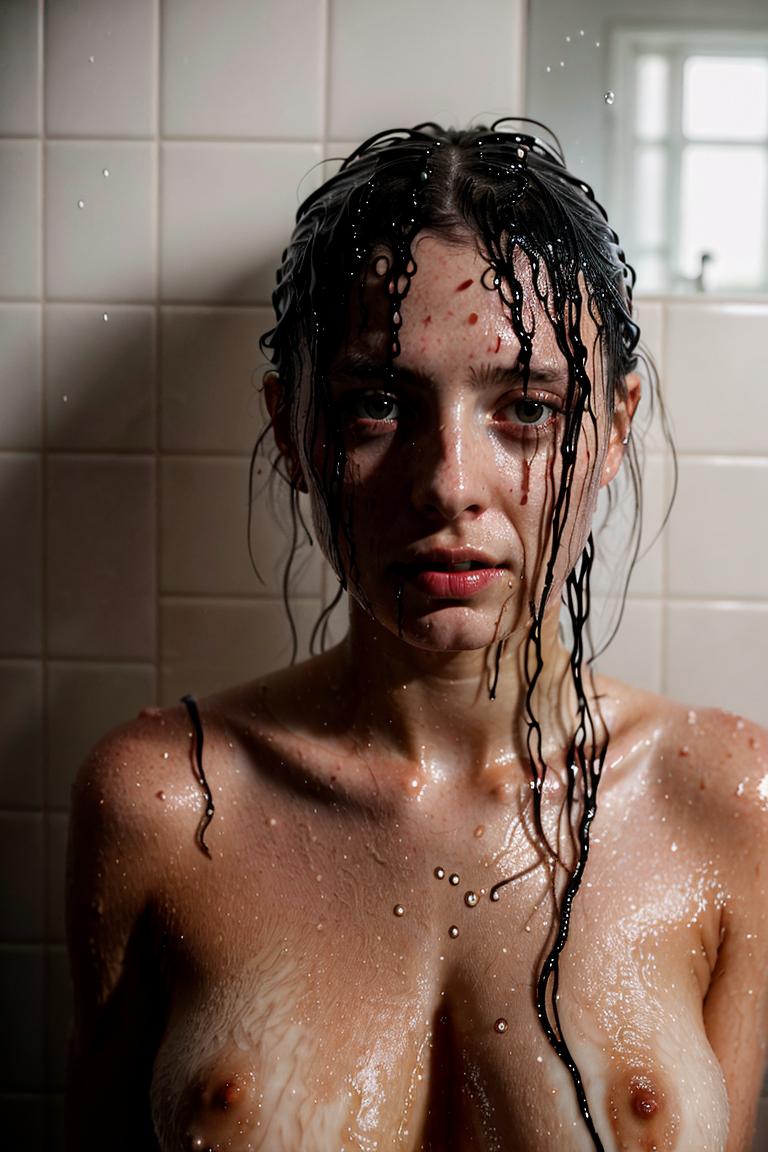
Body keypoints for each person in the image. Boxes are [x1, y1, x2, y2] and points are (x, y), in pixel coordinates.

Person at [66, 121, 768, 1152]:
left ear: (613, 430)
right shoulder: (164, 808)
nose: (447, 484)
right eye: (379, 406)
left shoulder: (726, 802)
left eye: (526, 407)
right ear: (296, 431)